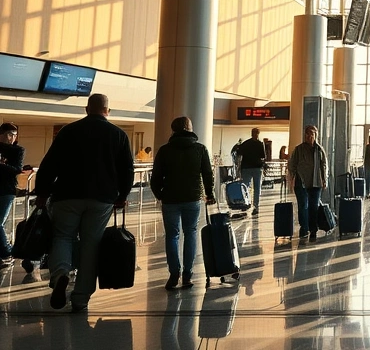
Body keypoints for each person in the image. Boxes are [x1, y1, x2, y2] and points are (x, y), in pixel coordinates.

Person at [34, 93, 134, 312]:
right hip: (101, 198)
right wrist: (122, 195)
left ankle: (60, 273)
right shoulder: (118, 135)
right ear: (108, 111)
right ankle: (80, 298)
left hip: (66, 195)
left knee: (62, 236)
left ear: (86, 109)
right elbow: (127, 169)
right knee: (91, 245)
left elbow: (49, 163)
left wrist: (41, 192)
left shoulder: (68, 131)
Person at [150, 116, 217, 290]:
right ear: (190, 129)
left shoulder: (164, 150)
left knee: (172, 236)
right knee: (190, 233)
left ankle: (174, 274)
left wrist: (160, 194)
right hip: (193, 198)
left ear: (173, 130)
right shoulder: (200, 149)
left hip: (170, 199)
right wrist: (209, 194)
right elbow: (208, 174)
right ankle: (187, 274)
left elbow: (155, 176)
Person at [288, 125, 328, 241]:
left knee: (313, 207)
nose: (309, 136)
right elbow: (292, 165)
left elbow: (324, 165)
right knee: (303, 206)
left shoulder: (319, 150)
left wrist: (324, 180)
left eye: (311, 134)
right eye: (307, 133)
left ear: (315, 135)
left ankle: (313, 229)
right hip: (301, 182)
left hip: (316, 182)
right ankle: (304, 228)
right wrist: (292, 178)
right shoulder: (299, 149)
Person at [0, 122, 24, 269]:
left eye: (14, 135)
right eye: (9, 134)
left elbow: (17, 169)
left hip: (7, 190)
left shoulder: (18, 150)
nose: (12, 138)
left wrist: (2, 164)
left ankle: (7, 252)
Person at [237, 128, 267, 216]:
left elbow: (239, 153)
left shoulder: (246, 143)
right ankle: (255, 206)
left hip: (246, 167)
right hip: (256, 167)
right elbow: (263, 156)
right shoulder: (260, 144)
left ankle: (245, 204)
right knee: (256, 188)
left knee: (245, 186)